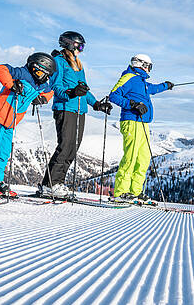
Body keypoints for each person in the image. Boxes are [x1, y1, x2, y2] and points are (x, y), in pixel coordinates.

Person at [0, 52, 56, 198]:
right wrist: (11, 84)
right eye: (45, 74)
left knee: (3, 152)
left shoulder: (41, 84)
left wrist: (42, 99)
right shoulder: (22, 73)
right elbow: (0, 69)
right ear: (36, 68)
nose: (46, 78)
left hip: (11, 122)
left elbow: (50, 91)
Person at [39, 31, 112, 198]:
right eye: (80, 46)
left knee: (72, 149)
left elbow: (84, 88)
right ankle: (50, 184)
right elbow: (55, 86)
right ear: (70, 44)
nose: (81, 50)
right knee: (65, 146)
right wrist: (71, 93)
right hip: (65, 108)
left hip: (80, 111)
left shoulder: (78, 65)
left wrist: (97, 104)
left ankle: (57, 182)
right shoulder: (58, 61)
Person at [108, 54, 173, 202]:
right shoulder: (129, 77)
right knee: (130, 157)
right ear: (142, 64)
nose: (150, 69)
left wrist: (166, 85)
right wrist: (133, 104)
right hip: (131, 121)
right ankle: (121, 192)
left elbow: (153, 89)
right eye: (149, 66)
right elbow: (113, 96)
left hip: (143, 123)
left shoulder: (142, 81)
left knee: (143, 158)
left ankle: (135, 191)